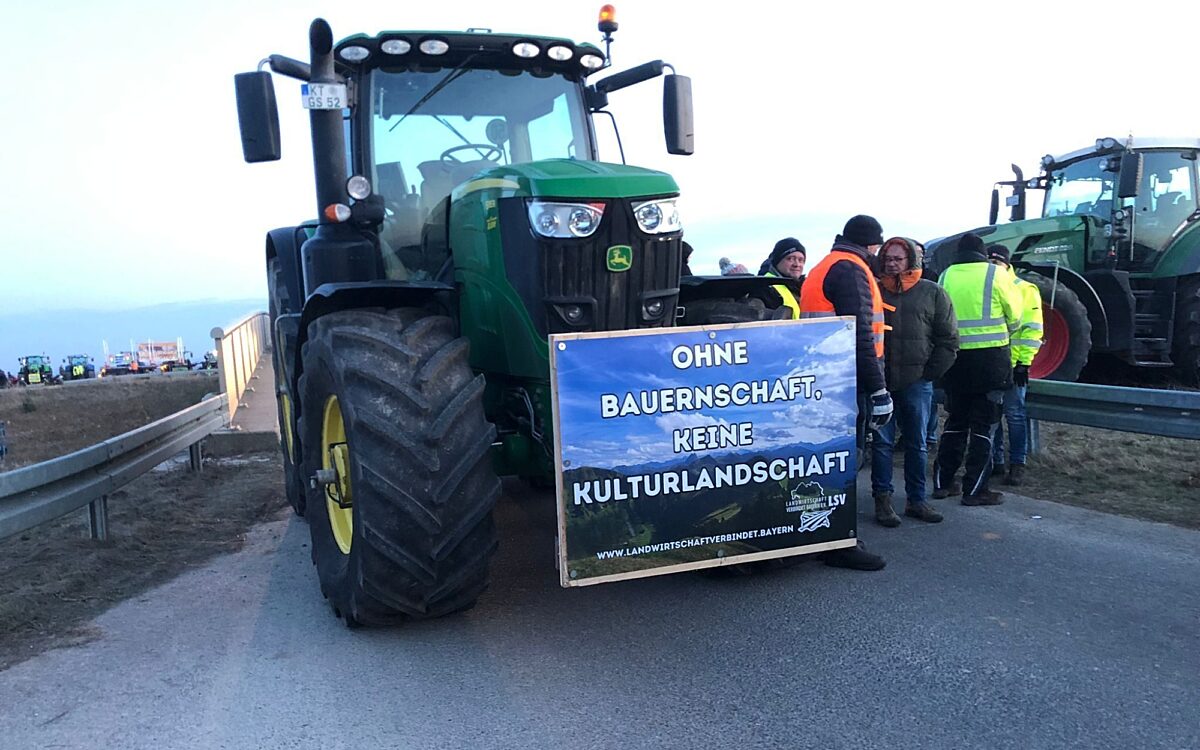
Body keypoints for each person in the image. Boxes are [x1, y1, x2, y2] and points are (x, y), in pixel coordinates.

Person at [799, 214, 890, 570]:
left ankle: (825, 533)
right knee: (844, 462)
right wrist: (878, 388)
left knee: (825, 461)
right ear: (872, 244)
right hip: (846, 382)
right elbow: (860, 335)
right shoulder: (851, 270)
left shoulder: (825, 266)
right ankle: (838, 542)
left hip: (824, 379)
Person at [870, 237, 957, 527]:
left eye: (898, 258)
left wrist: (929, 374)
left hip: (917, 382)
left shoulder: (933, 293)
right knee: (881, 444)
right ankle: (882, 500)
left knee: (917, 443)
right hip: (881, 382)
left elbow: (948, 339)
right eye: (887, 259)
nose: (892, 263)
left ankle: (917, 500)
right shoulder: (874, 291)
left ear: (911, 260)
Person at [932, 233, 1023, 505]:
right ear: (983, 253)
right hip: (991, 363)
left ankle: (942, 484)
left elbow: (939, 316)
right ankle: (975, 490)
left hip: (955, 362)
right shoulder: (996, 274)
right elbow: (1015, 318)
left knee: (955, 424)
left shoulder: (946, 275)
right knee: (984, 427)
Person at [986, 245, 1043, 486]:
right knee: (993, 416)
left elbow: (1033, 329)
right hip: (991, 364)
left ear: (1007, 264)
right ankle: (997, 461)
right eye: (989, 262)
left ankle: (1018, 464)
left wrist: (1023, 363)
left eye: (996, 262)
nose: (993, 267)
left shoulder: (1024, 289)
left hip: (1013, 365)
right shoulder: (986, 286)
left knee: (1015, 415)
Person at [756, 237, 806, 318]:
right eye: (790, 259)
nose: (797, 264)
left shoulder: (803, 287)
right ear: (777, 261)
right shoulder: (765, 287)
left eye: (801, 260)